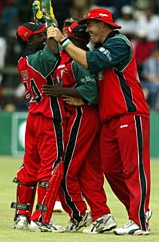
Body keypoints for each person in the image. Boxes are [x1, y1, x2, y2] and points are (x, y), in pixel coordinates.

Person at [50, 7, 151, 236]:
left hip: (129, 113)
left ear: (103, 24)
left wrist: (64, 41)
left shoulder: (119, 43)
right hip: (109, 119)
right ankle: (138, 212)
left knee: (134, 168)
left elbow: (91, 62)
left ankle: (139, 219)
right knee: (111, 169)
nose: (88, 31)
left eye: (90, 25)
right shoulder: (103, 47)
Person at [42, 21, 117, 234]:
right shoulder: (82, 56)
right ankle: (102, 215)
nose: (64, 32)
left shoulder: (79, 59)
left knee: (66, 170)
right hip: (90, 117)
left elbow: (91, 89)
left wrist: (61, 91)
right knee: (88, 171)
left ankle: (78, 214)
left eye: (67, 31)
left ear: (72, 37)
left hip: (82, 117)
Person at [10, 21, 65, 232]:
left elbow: (45, 51)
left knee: (29, 168)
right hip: (48, 118)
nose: (44, 38)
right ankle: (41, 219)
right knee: (50, 168)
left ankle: (21, 217)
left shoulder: (22, 61)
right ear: (30, 40)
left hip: (33, 117)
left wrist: (46, 30)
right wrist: (53, 30)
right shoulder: (40, 59)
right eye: (40, 35)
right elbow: (53, 52)